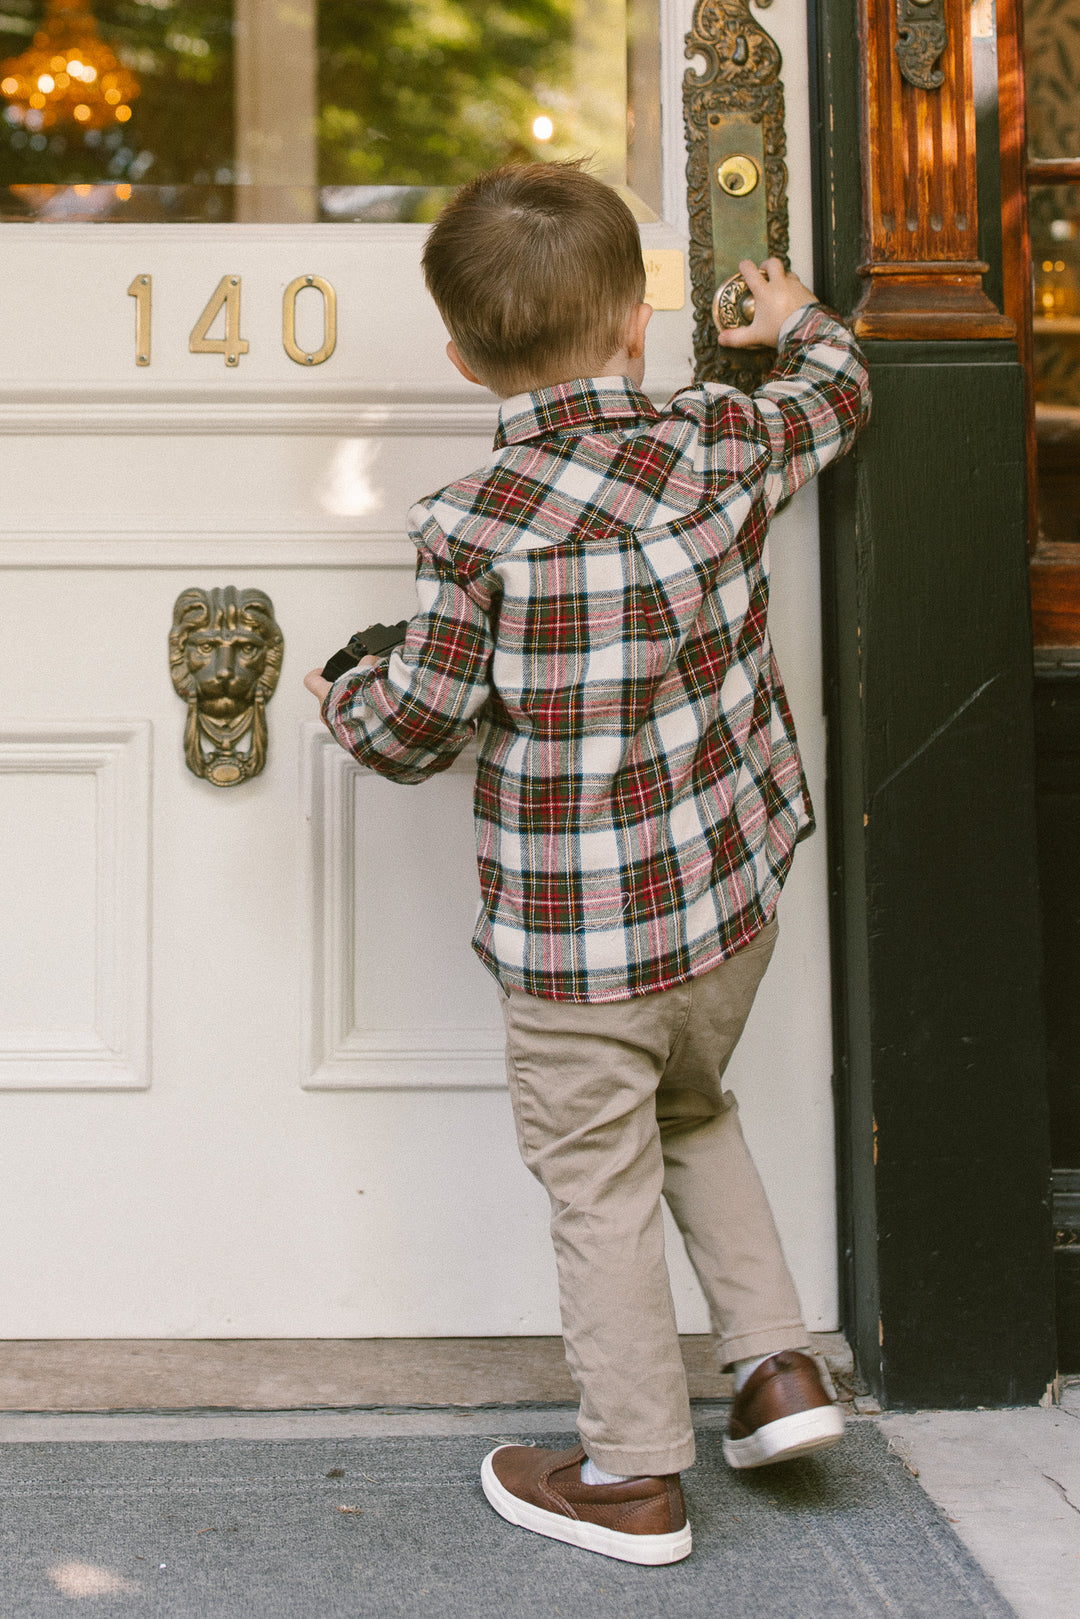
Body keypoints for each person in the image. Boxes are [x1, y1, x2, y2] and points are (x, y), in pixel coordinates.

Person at [304, 160, 871, 1567]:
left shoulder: (473, 526)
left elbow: (419, 726)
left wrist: (342, 703)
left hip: (580, 958)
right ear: (637, 317)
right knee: (694, 1104)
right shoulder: (719, 443)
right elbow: (839, 392)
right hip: (726, 911)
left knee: (597, 1181)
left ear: (458, 355)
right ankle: (775, 1366)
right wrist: (796, 316)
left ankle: (629, 1473)